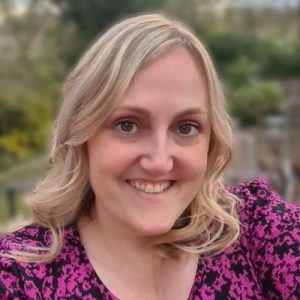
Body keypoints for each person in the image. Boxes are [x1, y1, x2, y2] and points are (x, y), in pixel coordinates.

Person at [0, 13, 299, 300]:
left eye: (186, 127)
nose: (159, 162)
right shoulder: (20, 277)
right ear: (81, 136)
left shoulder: (260, 235)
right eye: (127, 125)